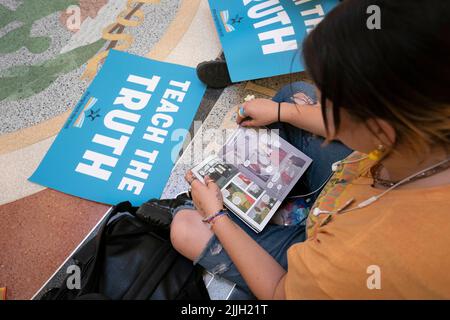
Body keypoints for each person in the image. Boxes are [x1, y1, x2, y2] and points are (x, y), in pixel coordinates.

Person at [170, 0, 450, 299]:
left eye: (330, 102)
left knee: (186, 225)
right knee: (296, 96)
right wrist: (283, 112)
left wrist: (216, 216)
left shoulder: (364, 251)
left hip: (327, 249)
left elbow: (280, 291)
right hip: (354, 190)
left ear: (382, 131)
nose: (321, 104)